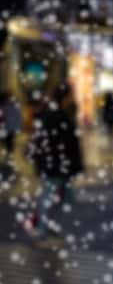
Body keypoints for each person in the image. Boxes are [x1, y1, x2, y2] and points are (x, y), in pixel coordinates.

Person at [26, 91, 84, 238]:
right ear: (64, 99)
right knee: (51, 197)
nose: (72, 100)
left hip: (57, 165)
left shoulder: (58, 115)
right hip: (56, 165)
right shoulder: (57, 117)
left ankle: (46, 225)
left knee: (61, 197)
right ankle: (42, 227)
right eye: (70, 97)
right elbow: (63, 143)